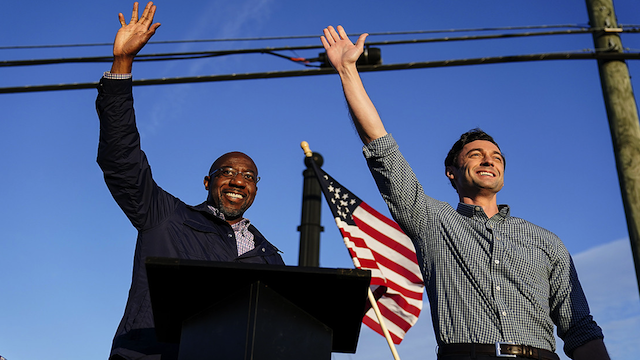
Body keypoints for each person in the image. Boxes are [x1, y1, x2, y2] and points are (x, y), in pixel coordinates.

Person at [321, 25, 610, 360]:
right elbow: (381, 148)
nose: (489, 159)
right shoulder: (431, 220)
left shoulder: (547, 242)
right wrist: (347, 70)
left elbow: (580, 329)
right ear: (452, 172)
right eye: (475, 154)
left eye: (497, 157)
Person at [96, 3, 285, 359]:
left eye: (248, 176)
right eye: (227, 171)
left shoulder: (269, 257)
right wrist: (122, 65)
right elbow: (121, 159)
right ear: (206, 182)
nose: (237, 181)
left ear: (256, 188)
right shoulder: (165, 218)